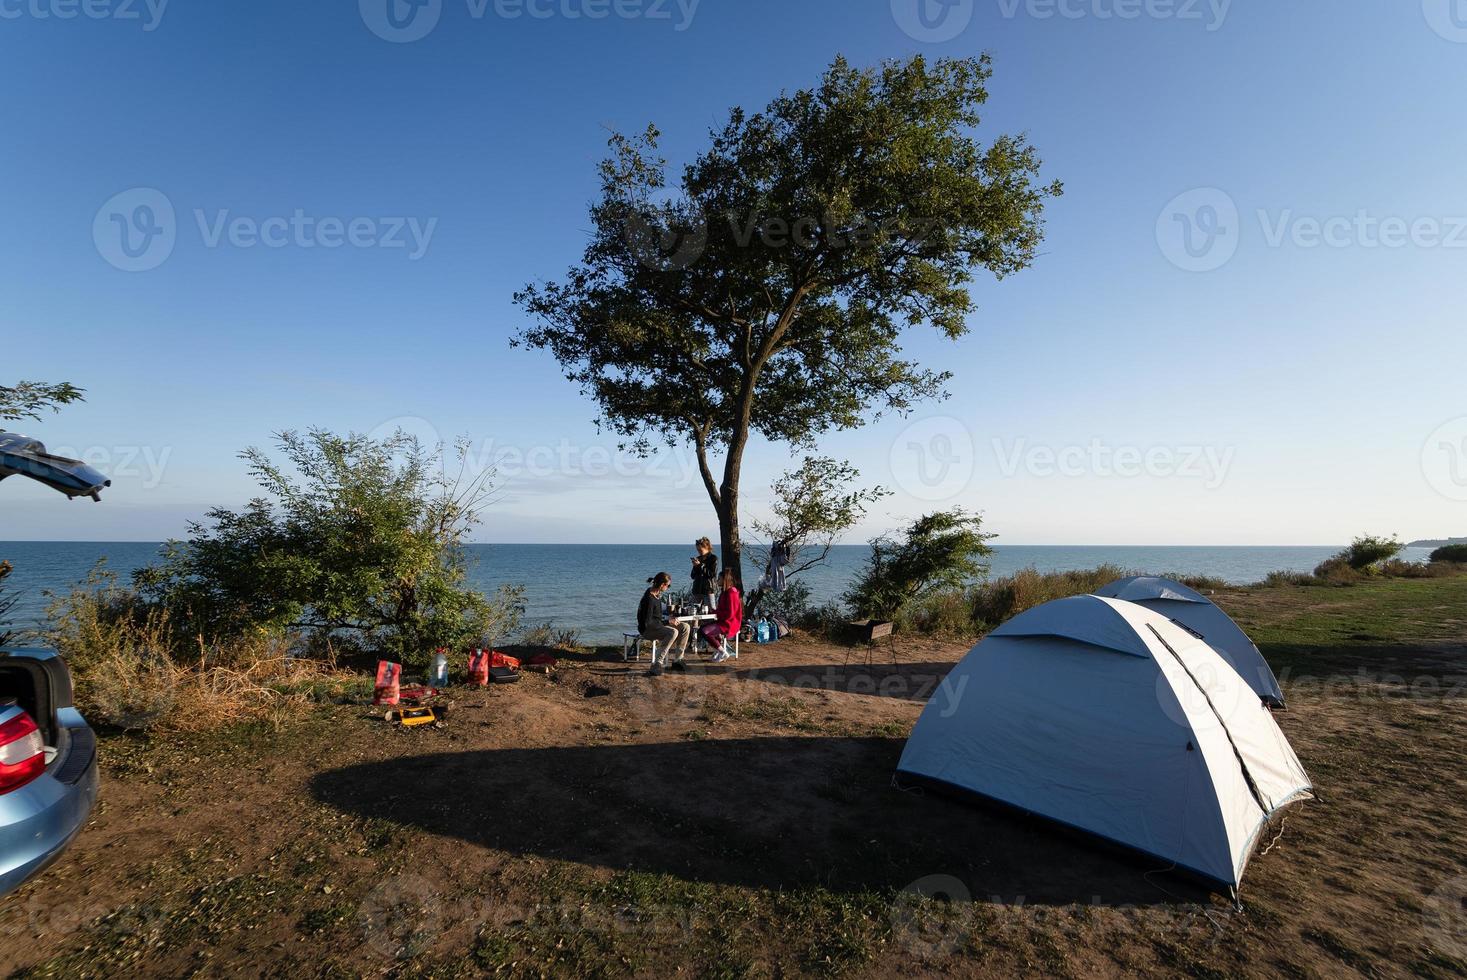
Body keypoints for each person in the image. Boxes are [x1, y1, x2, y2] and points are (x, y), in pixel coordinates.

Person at [638, 572, 691, 676]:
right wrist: (667, 622)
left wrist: (669, 618)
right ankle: (657, 664)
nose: (668, 587)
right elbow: (648, 622)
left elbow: (657, 616)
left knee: (685, 627)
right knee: (673, 632)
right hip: (647, 630)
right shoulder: (649, 599)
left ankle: (677, 660)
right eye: (668, 585)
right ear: (662, 585)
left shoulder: (657, 595)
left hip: (657, 625)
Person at [701, 568, 743, 663]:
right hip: (724, 621)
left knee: (704, 631)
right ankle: (718, 651)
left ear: (725, 580)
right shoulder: (725, 592)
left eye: (719, 579)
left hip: (730, 623)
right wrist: (714, 611)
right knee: (704, 627)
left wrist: (717, 613)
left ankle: (722, 652)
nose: (717, 581)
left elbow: (730, 613)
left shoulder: (731, 592)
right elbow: (723, 610)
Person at [690, 538, 718, 612]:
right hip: (697, 589)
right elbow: (692, 576)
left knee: (710, 612)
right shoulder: (698, 559)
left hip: (708, 589)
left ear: (707, 547)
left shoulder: (713, 558)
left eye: (700, 550)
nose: (699, 552)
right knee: (694, 612)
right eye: (697, 550)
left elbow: (712, 574)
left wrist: (700, 566)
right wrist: (695, 567)